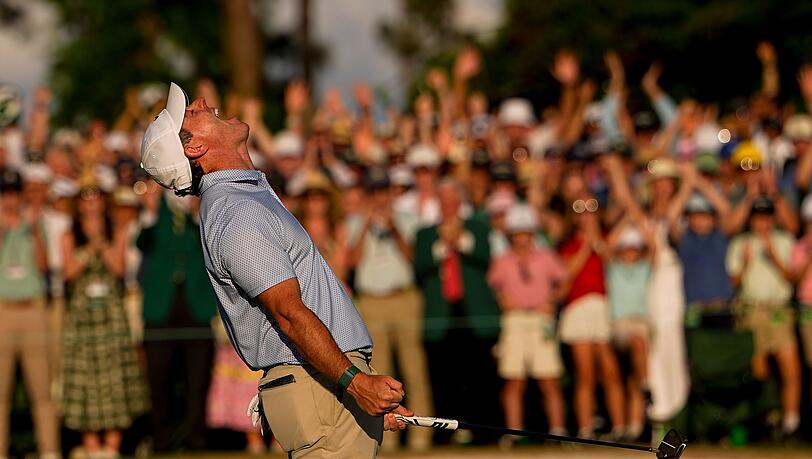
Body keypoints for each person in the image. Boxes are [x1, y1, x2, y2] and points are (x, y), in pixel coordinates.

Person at [139, 83, 410, 458]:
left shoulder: (242, 199)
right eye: (192, 112)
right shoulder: (237, 211)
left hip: (324, 386)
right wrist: (355, 383)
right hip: (320, 387)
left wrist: (359, 390)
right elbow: (288, 313)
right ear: (194, 148)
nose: (202, 102)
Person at [60, 181, 150, 458]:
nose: (90, 204)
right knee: (86, 380)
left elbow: (118, 267)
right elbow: (69, 272)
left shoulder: (118, 230)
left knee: (114, 380)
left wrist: (101, 242)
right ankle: (90, 445)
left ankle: (112, 445)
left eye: (96, 198)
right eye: (85, 199)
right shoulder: (68, 234)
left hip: (111, 315)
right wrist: (90, 248)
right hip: (82, 317)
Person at [347, 166, 433, 452]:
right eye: (374, 192)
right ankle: (390, 437)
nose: (380, 197)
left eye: (384, 191)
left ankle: (421, 436)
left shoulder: (408, 220)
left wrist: (393, 228)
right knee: (381, 372)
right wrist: (366, 224)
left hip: (404, 298)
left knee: (414, 368)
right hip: (371, 300)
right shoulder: (356, 222)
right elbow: (352, 262)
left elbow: (415, 260)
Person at [414, 178, 500, 444]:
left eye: (453, 201)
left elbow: (485, 256)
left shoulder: (477, 228)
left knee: (480, 376)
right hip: (442, 316)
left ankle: (484, 433)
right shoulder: (425, 233)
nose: (449, 206)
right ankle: (446, 434)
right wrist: (442, 244)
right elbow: (419, 266)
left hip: (473, 315)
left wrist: (459, 240)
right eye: (444, 201)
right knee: (444, 377)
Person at [136, 185, 217, 452]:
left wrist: (196, 216)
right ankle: (162, 439)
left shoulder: (202, 206)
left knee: (197, 380)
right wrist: (149, 213)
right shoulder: (154, 211)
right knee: (158, 379)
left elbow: (212, 245)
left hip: (196, 306)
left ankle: (196, 439)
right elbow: (142, 245)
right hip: (161, 308)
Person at [486, 204, 567, 447]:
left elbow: (563, 281)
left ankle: (558, 432)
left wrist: (552, 301)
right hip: (515, 320)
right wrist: (502, 300)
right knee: (514, 380)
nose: (522, 238)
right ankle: (514, 433)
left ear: (532, 233)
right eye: (517, 232)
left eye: (526, 232)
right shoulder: (502, 260)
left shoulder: (546, 256)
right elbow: (492, 286)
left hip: (541, 320)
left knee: (549, 379)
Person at [726, 196, 801, 437]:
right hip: (752, 310)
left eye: (766, 217)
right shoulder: (741, 243)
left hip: (779, 310)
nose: (762, 223)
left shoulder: (785, 241)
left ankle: (791, 422)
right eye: (758, 218)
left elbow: (793, 278)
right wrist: (747, 263)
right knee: (759, 370)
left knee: (789, 365)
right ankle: (767, 418)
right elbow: (734, 282)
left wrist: (773, 255)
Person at [0, 170, 60, 459]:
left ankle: (49, 451)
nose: (10, 198)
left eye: (14, 192)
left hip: (33, 309)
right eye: (5, 193)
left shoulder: (34, 223)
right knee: (1, 393)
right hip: (3, 311)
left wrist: (34, 230)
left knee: (42, 390)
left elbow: (44, 266)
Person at [558, 193, 626, 439]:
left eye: (591, 208)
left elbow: (612, 264)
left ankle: (620, 427)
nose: (586, 213)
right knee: (584, 373)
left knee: (610, 371)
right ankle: (585, 428)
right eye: (580, 209)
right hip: (578, 308)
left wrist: (596, 240)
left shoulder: (606, 240)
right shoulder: (567, 245)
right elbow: (567, 276)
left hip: (603, 308)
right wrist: (586, 245)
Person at [605, 221, 655, 441]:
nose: (629, 251)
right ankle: (648, 386)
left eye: (634, 247)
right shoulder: (613, 267)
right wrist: (626, 216)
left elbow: (653, 247)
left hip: (641, 322)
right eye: (625, 247)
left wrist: (636, 218)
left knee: (633, 378)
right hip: (620, 325)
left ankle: (634, 427)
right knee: (638, 343)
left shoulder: (645, 268)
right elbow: (606, 247)